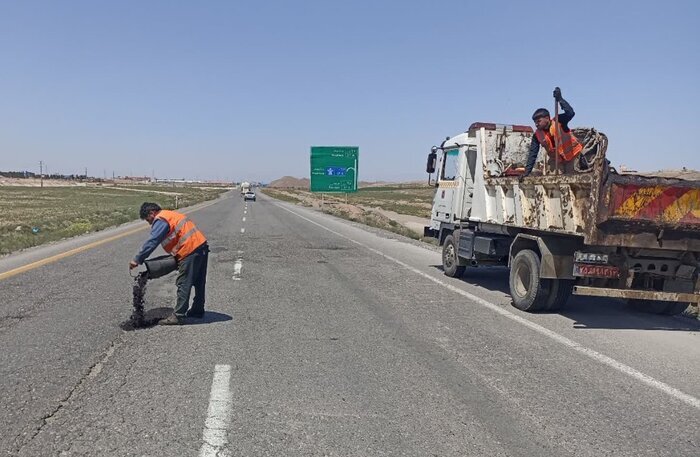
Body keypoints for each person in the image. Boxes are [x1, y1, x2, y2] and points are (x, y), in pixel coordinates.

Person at [129, 202, 209, 325]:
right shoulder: (170, 215)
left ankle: (178, 316)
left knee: (184, 282)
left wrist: (137, 259)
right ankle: (198, 310)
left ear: (152, 213)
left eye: (148, 219)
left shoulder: (161, 219)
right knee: (199, 281)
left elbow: (152, 241)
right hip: (200, 247)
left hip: (190, 250)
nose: (149, 223)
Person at [522, 87, 583, 177]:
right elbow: (533, 154)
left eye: (538, 121)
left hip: (573, 157)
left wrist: (560, 99)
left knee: (574, 182)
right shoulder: (537, 136)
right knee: (553, 181)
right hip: (557, 161)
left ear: (547, 118)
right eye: (535, 122)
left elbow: (570, 113)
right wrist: (526, 172)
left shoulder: (559, 121)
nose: (536, 124)